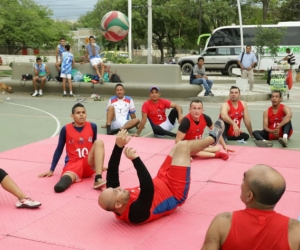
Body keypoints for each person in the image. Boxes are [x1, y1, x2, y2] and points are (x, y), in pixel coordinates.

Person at [98, 120, 225, 224]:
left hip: (161, 178)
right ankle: (211, 139)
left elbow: (112, 171)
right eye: (116, 190)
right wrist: (135, 160)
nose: (119, 187)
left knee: (178, 147)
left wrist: (118, 145)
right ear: (118, 204)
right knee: (182, 146)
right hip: (174, 192)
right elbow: (148, 188)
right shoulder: (135, 214)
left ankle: (209, 150)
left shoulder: (115, 198)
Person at [201, 164, 300, 250]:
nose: (241, 183)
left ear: (249, 196)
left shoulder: (223, 222)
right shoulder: (295, 230)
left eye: (243, 180)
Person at [38, 103, 106, 192]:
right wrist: (51, 170)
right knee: (60, 187)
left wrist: (99, 165)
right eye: (78, 113)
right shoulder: (65, 129)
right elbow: (59, 149)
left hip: (88, 164)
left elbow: (95, 147)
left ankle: (98, 178)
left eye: (83, 112)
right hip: (73, 164)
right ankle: (68, 178)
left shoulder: (92, 126)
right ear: (72, 116)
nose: (81, 114)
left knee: (99, 142)